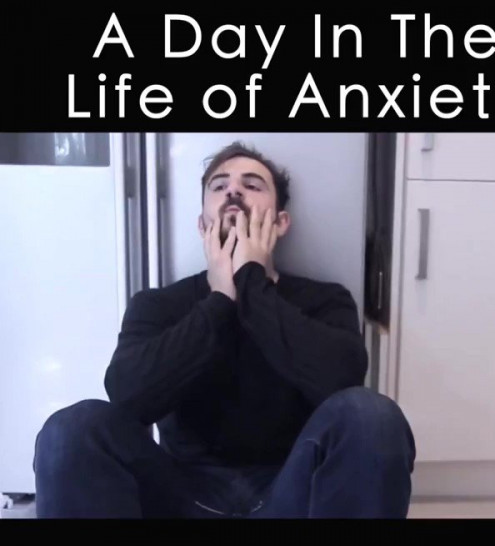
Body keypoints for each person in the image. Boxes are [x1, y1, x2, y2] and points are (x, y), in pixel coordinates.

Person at [33, 141, 416, 518]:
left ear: (280, 222)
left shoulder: (325, 299)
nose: (234, 190)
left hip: (290, 491)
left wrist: (251, 282)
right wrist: (220, 300)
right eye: (220, 186)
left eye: (252, 184)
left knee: (371, 415)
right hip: (181, 496)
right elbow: (128, 398)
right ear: (203, 224)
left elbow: (342, 384)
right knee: (71, 428)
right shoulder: (158, 304)